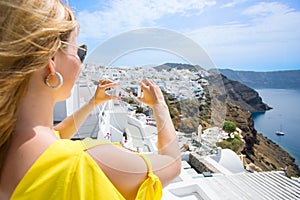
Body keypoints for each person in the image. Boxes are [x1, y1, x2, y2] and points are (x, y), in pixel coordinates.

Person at [0, 0, 181, 199]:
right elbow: (171, 164)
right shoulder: (86, 162)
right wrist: (160, 106)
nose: (81, 62)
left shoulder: (10, 143)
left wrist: (93, 102)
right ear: (51, 63)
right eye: (80, 51)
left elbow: (56, 134)